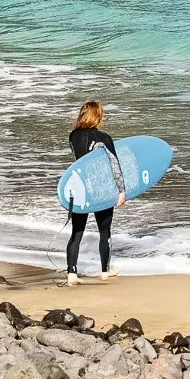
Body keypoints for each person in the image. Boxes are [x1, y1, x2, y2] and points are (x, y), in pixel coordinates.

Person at [65, 100, 125, 286]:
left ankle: (71, 273)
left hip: (80, 188)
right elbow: (114, 165)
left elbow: (81, 161)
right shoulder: (104, 137)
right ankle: (105, 271)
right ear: (98, 116)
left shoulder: (72, 136)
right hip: (101, 188)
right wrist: (121, 191)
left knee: (77, 231)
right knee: (104, 231)